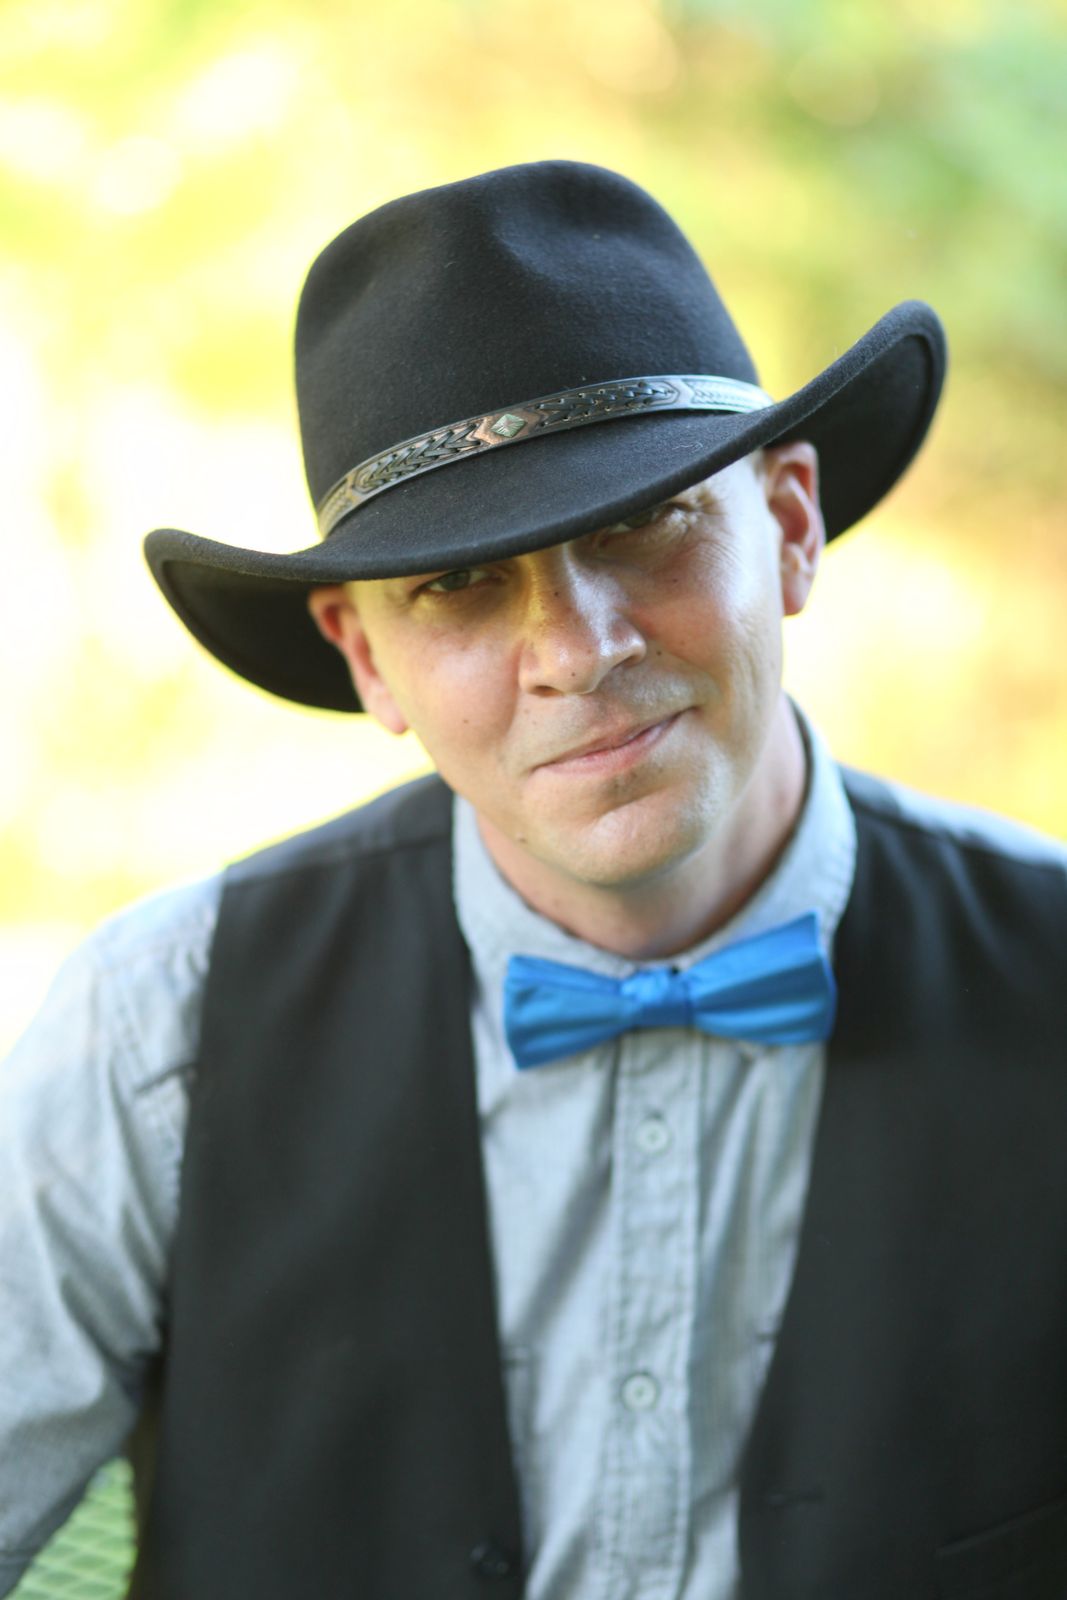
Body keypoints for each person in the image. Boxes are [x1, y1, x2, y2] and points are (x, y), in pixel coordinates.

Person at [1, 159, 1065, 1600]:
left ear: (790, 526)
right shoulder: (155, 1035)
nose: (577, 649)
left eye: (642, 522)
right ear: (367, 657)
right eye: (458, 584)